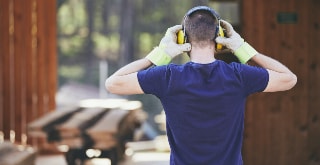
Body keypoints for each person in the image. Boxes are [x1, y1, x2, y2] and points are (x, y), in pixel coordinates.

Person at [105, 6, 297, 165]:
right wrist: (243, 48)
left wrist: (160, 54)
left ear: (183, 39)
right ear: (219, 39)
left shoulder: (167, 77)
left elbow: (113, 84)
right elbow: (289, 78)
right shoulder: (239, 75)